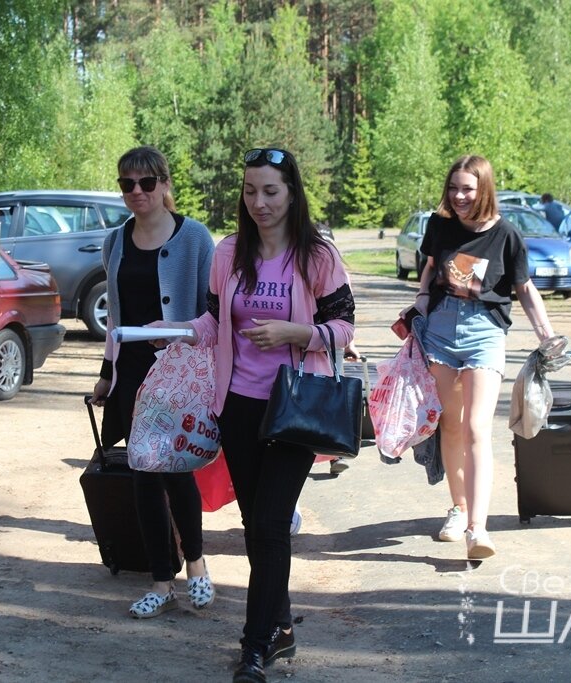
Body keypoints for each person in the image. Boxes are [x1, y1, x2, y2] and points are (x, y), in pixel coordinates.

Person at [155, 148, 355, 683]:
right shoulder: (229, 253)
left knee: (269, 524)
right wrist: (173, 333)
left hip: (295, 407)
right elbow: (213, 320)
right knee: (256, 527)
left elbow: (344, 327)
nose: (259, 202)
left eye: (270, 191)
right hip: (238, 406)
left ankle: (254, 647)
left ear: (291, 192)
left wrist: (298, 333)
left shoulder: (317, 255)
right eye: (250, 191)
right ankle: (281, 625)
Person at [402, 155, 558, 561]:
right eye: (453, 188)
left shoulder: (507, 235)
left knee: (476, 428)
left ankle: (478, 528)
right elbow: (430, 267)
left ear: (484, 188)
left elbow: (524, 288)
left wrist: (546, 334)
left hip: (484, 333)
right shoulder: (440, 226)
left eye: (467, 189)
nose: (459, 196)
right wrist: (421, 299)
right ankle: (458, 508)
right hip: (440, 331)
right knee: (451, 427)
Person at [88, 146, 216, 619]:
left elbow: (211, 312)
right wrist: (107, 374)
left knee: (177, 470)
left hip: (177, 374)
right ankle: (161, 582)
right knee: (142, 476)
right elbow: (116, 318)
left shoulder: (195, 238)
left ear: (164, 184)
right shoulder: (115, 241)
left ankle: (196, 566)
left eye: (146, 182)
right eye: (127, 184)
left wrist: (187, 344)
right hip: (133, 374)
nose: (137, 192)